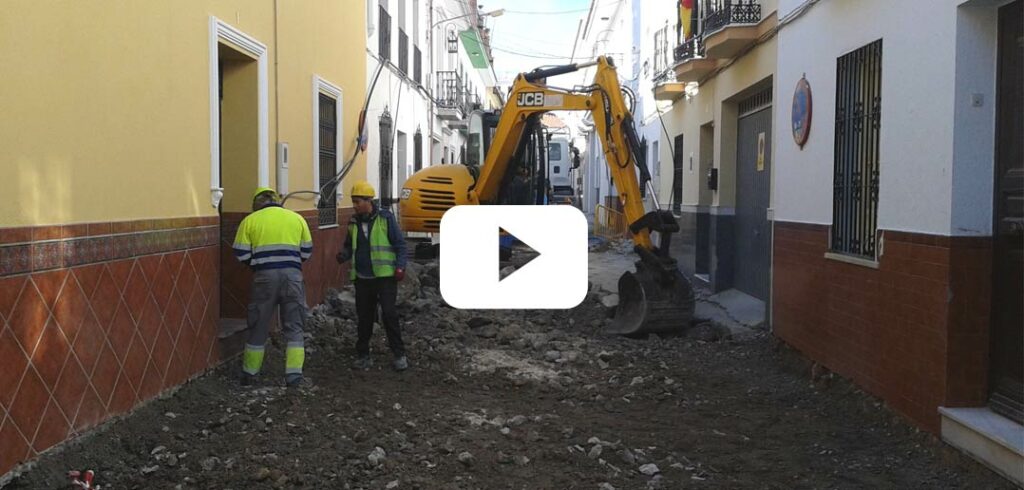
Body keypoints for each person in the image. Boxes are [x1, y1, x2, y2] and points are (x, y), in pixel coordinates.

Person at [232, 187, 313, 388]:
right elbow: (307, 251)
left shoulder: (250, 221)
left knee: (259, 325)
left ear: (256, 204)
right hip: (293, 277)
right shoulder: (296, 218)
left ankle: (250, 374)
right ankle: (294, 376)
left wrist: (258, 266)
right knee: (294, 327)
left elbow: (241, 253)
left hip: (264, 278)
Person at [336, 181, 409, 371]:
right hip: (363, 278)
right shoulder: (353, 222)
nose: (354, 205)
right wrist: (344, 254)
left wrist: (400, 267)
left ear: (368, 201)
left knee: (389, 314)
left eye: (357, 201)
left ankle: (399, 354)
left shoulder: (385, 219)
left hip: (385, 278)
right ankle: (363, 354)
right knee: (364, 318)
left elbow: (400, 245)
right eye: (353, 201)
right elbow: (349, 244)